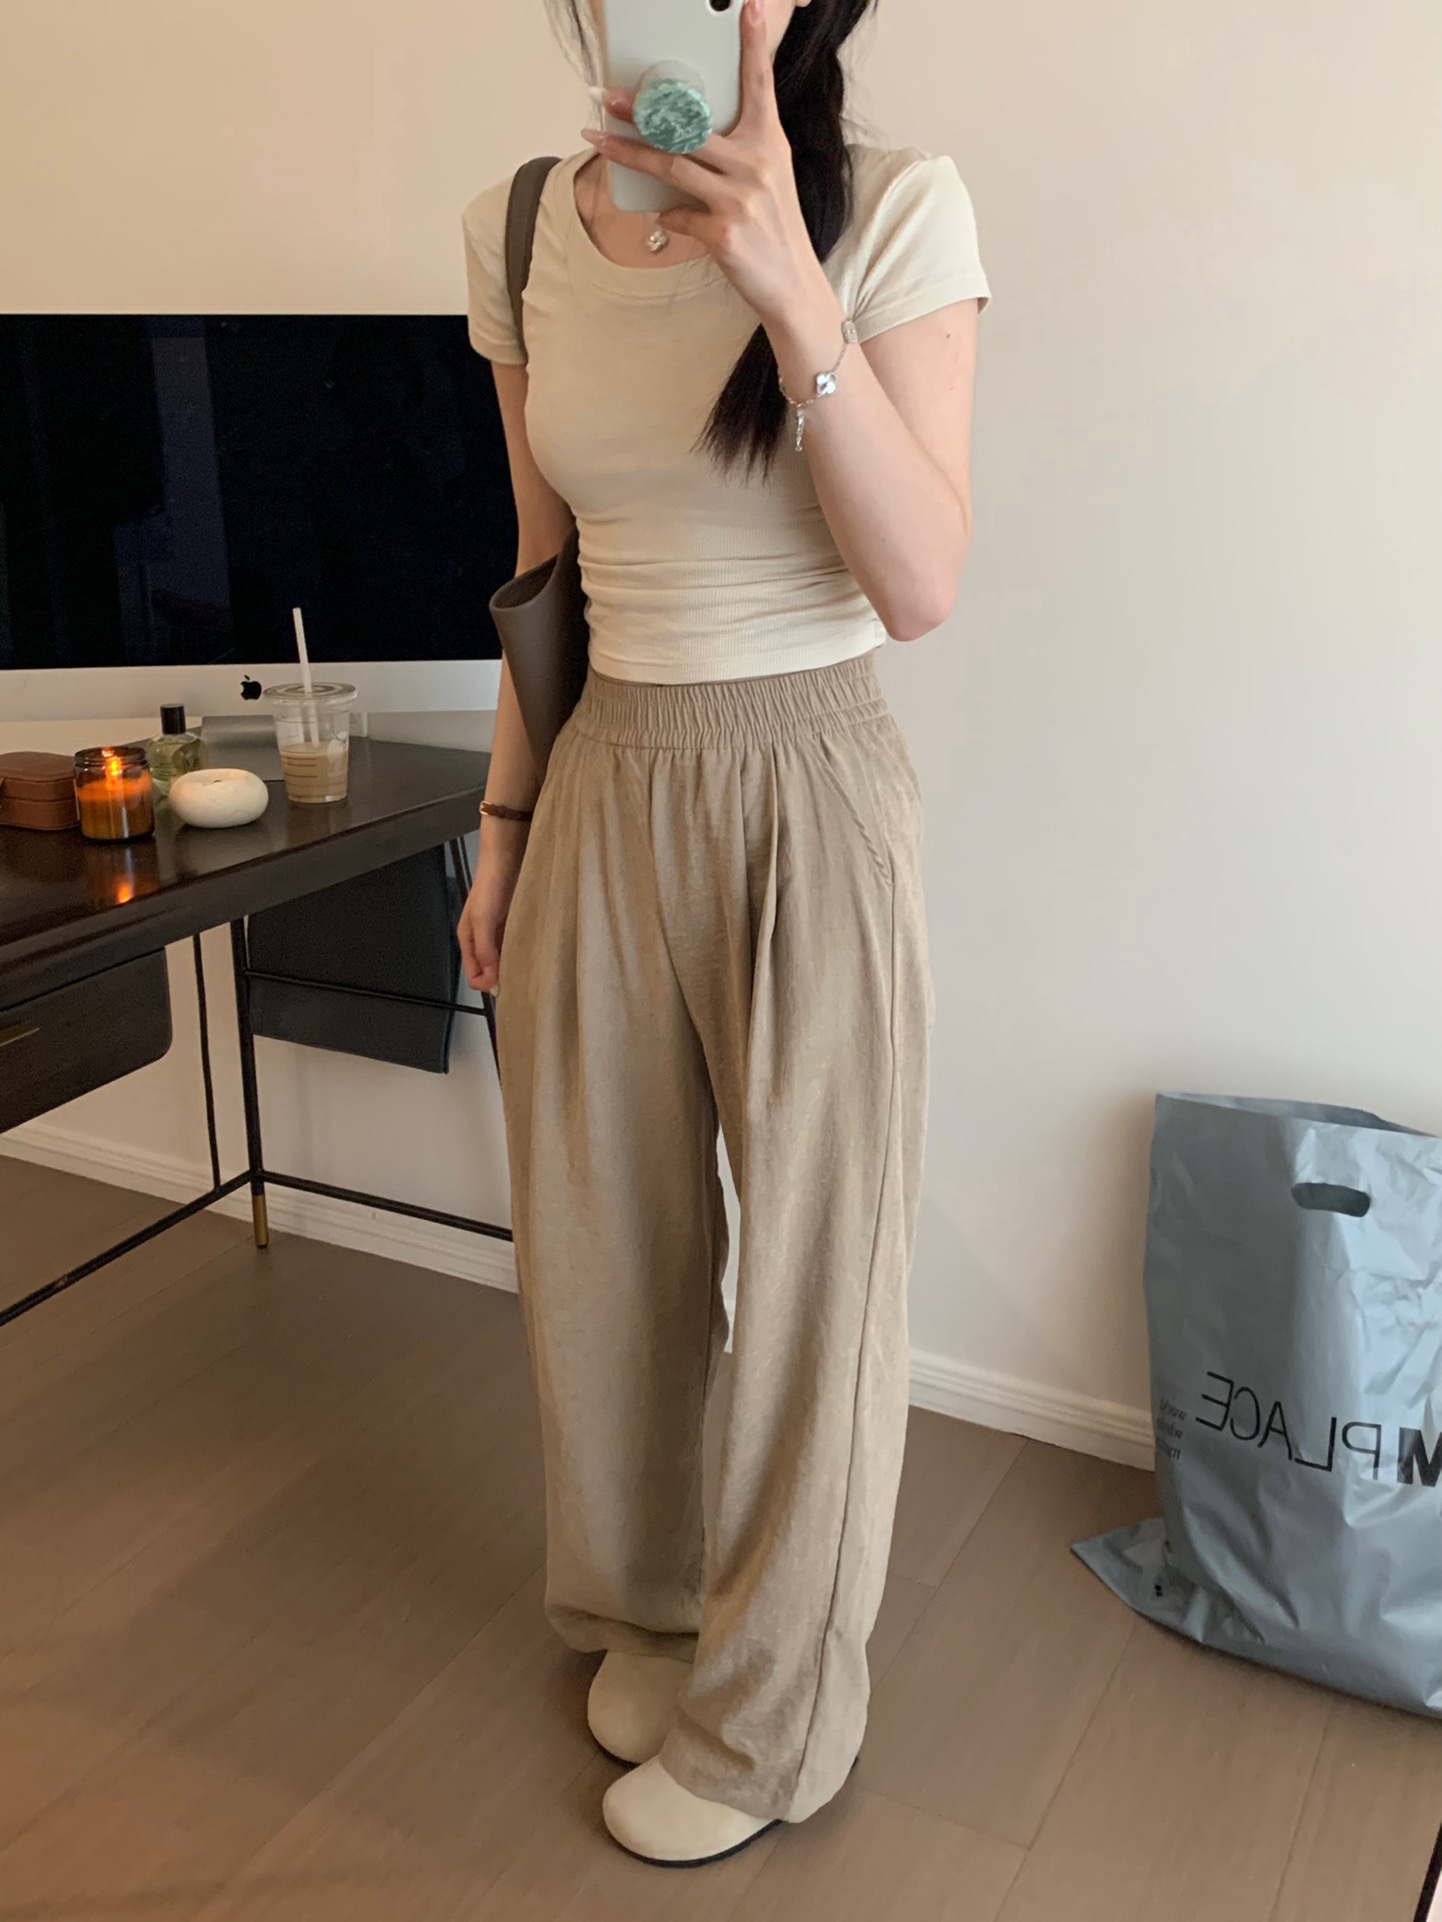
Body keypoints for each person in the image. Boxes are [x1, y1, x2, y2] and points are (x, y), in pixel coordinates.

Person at [457, 0, 988, 1868]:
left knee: (818, 1277)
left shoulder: (897, 207)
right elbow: (545, 572)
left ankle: (776, 1722)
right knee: (600, 1245)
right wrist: (504, 827)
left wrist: (788, 289)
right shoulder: (517, 224)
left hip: (807, 775)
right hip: (603, 767)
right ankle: (655, 1609)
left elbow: (920, 583)